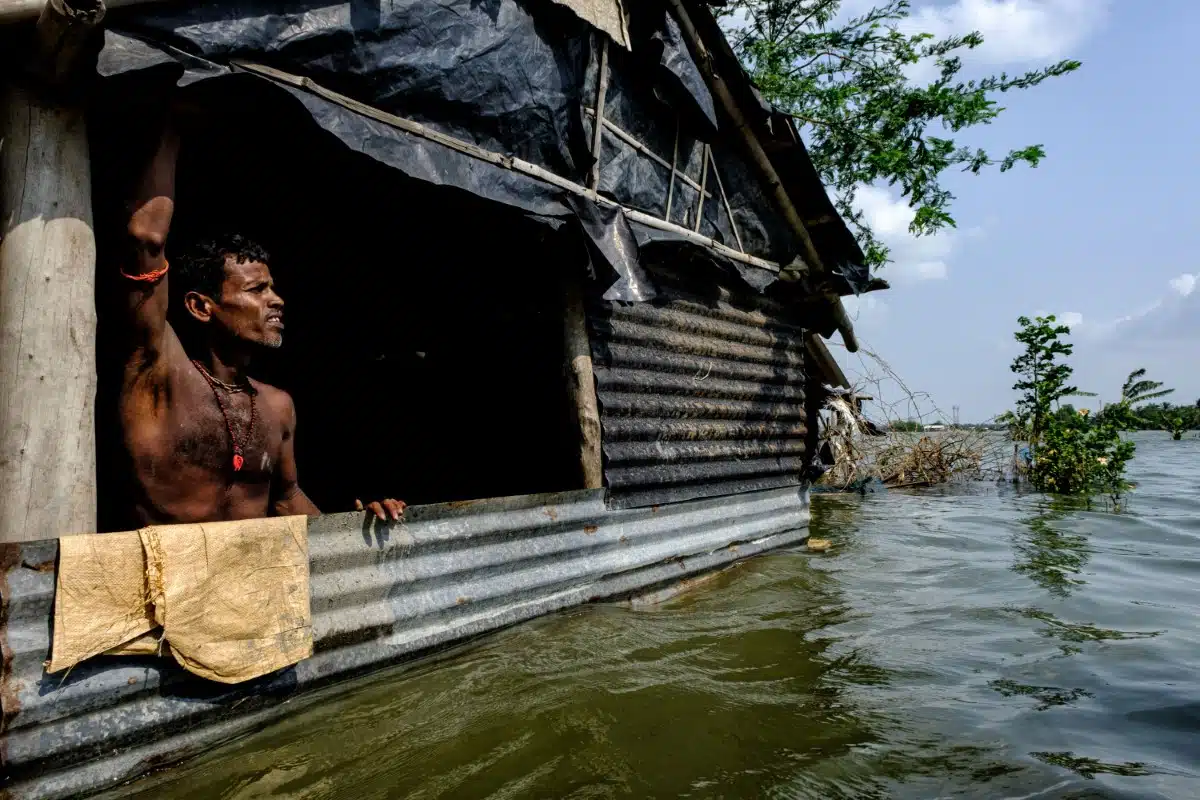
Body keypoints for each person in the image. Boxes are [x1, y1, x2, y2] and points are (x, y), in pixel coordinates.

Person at [116, 108, 404, 525]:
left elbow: (286, 501)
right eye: (257, 290)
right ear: (201, 307)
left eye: (272, 287)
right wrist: (172, 120)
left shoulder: (277, 406)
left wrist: (357, 530)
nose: (278, 300)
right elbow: (146, 238)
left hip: (252, 585)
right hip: (166, 584)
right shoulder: (157, 372)